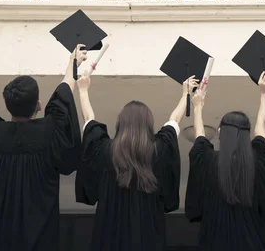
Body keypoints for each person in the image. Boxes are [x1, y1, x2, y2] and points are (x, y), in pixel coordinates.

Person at [0, 44, 87, 251]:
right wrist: (71, 65)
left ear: (8, 105)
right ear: (38, 104)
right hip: (39, 239)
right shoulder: (50, 133)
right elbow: (62, 98)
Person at [75, 71, 197, 251]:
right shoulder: (159, 150)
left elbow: (89, 121)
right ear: (148, 124)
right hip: (147, 237)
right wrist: (185, 94)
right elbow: (174, 122)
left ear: (120, 123)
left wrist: (83, 90)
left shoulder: (104, 150)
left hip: (110, 237)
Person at [185, 72, 265, 251]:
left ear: (220, 131)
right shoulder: (258, 160)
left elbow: (199, 137)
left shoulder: (206, 160)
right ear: (246, 134)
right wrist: (262, 93)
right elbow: (261, 127)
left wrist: (197, 107)